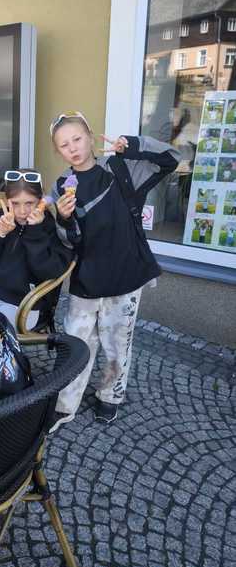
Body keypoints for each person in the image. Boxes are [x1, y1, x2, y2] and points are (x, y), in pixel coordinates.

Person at [50, 111, 180, 427]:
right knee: (76, 343)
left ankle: (109, 396)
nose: (73, 147)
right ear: (58, 151)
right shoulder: (62, 186)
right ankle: (65, 405)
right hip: (85, 280)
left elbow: (171, 159)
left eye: (77, 138)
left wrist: (132, 145)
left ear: (91, 136)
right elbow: (68, 242)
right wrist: (64, 219)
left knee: (117, 343)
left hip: (125, 276)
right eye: (64, 144)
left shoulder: (121, 169)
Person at [0, 169, 72, 329]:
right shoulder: (0, 217)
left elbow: (48, 272)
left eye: (29, 203)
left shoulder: (47, 226)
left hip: (26, 307)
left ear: (40, 201)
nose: (22, 211)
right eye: (15, 203)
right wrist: (0, 233)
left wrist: (34, 231)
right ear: (6, 201)